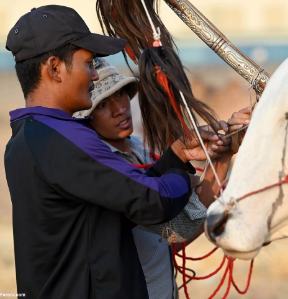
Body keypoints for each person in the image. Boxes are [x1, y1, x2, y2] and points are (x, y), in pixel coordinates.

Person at [4, 5, 225, 299]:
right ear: (55, 68)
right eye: (88, 63)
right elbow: (154, 200)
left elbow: (122, 194)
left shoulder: (29, 137)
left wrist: (177, 155)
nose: (95, 76)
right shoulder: (62, 139)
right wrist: (180, 174)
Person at [75, 58, 236, 298]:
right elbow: (177, 230)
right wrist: (184, 171)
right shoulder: (101, 170)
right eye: (102, 105)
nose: (119, 108)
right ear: (86, 116)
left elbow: (176, 231)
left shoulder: (138, 149)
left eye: (120, 95)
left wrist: (225, 153)